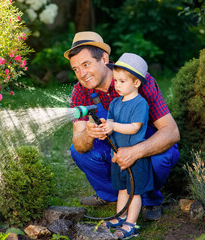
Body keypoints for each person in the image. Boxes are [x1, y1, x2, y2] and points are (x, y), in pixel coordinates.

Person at [65, 31, 180, 221]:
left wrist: (135, 151)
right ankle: (111, 195)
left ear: (104, 58)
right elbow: (79, 144)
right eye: (75, 69)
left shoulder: (137, 79)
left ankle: (150, 199)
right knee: (79, 153)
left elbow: (171, 131)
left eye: (86, 64)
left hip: (143, 138)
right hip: (114, 145)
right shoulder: (80, 92)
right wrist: (87, 133)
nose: (82, 74)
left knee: (162, 158)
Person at [99, 53, 154, 239]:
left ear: (136, 83)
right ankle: (119, 217)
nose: (117, 85)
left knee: (134, 192)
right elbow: (110, 125)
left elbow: (134, 128)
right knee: (122, 189)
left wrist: (113, 125)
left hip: (135, 157)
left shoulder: (140, 104)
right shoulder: (114, 103)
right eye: (115, 81)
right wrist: (104, 127)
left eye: (122, 81)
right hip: (118, 155)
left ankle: (131, 224)